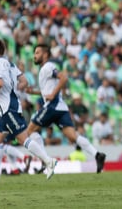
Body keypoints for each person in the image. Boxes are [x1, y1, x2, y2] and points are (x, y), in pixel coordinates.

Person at [0, 40, 57, 182]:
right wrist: (15, 88)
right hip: (11, 106)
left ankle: (48, 160)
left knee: (23, 139)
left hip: (9, 108)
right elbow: (25, 81)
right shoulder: (10, 64)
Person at [26, 44, 106, 173]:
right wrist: (33, 92)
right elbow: (47, 91)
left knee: (29, 131)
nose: (34, 56)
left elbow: (63, 77)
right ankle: (97, 154)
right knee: (73, 136)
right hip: (61, 108)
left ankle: (46, 162)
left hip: (52, 107)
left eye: (37, 53)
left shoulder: (48, 67)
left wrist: (53, 94)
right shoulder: (45, 70)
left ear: (45, 55)